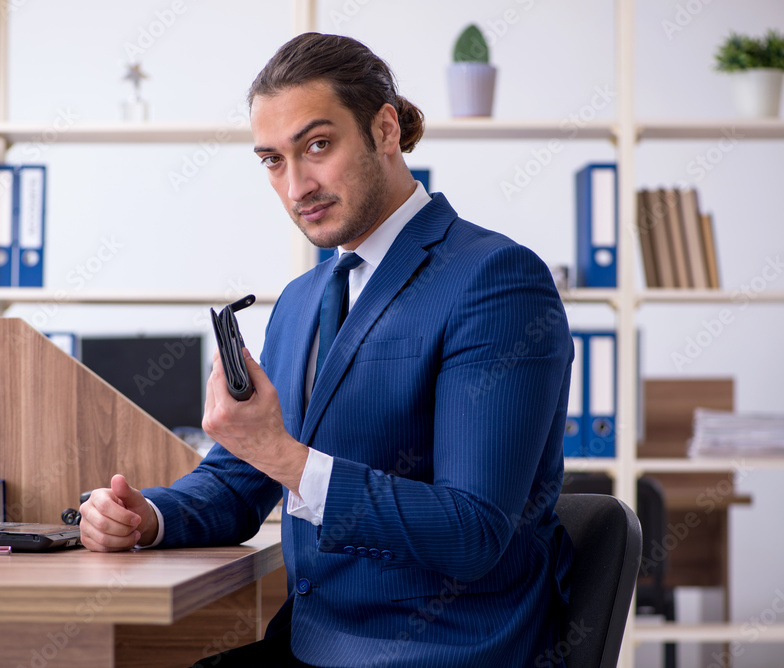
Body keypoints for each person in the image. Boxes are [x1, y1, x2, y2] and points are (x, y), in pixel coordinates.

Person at [79, 32, 574, 668]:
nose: (296, 187)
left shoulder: (495, 279)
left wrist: (284, 457)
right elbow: (239, 480)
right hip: (314, 639)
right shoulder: (301, 300)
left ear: (385, 130)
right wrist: (147, 516)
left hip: (439, 651)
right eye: (272, 160)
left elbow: (471, 532)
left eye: (317, 146)